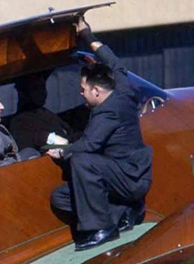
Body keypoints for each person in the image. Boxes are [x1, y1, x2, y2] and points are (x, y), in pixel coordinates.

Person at [47, 25, 152, 249]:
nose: (80, 93)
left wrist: (61, 151)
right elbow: (116, 64)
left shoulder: (106, 111)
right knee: (61, 198)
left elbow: (89, 145)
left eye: (83, 89)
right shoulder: (123, 91)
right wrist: (86, 35)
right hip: (130, 174)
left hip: (129, 179)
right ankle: (126, 210)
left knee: (82, 161)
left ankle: (102, 229)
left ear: (96, 91)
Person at [4, 72, 75, 157]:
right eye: (36, 88)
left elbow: (68, 133)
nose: (43, 92)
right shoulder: (19, 122)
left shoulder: (45, 112)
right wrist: (48, 138)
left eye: (43, 87)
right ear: (23, 93)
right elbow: (28, 148)